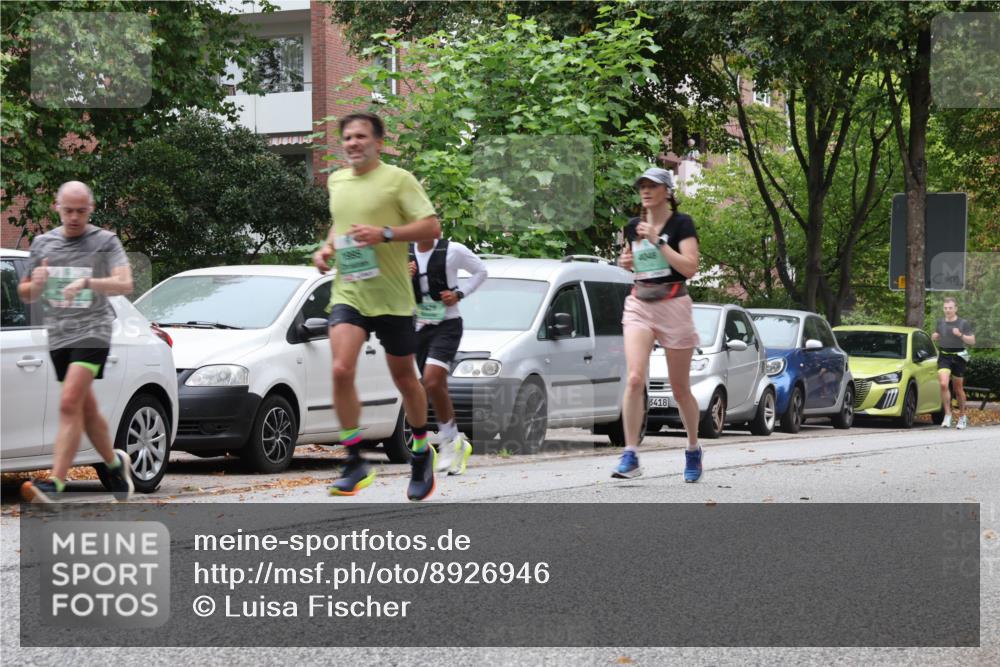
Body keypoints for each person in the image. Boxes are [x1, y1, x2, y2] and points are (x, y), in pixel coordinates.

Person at [313, 112, 441, 501]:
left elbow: (431, 227)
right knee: (339, 368)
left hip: (393, 297)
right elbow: (341, 223)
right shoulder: (336, 180)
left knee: (405, 377)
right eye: (347, 137)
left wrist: (384, 234)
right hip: (350, 292)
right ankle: (354, 460)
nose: (353, 143)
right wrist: (328, 247)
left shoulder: (398, 180)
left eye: (361, 137)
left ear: (378, 142)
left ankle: (421, 451)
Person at [19, 181, 135, 504]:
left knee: (69, 401)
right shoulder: (43, 244)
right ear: (57, 207)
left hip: (94, 332)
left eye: (81, 211)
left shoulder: (104, 241)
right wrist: (36, 285)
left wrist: (87, 281)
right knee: (85, 407)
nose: (73, 218)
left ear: (91, 209)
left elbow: (125, 282)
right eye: (68, 210)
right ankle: (114, 463)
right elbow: (25, 292)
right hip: (58, 335)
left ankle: (55, 483)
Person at [613, 167, 702, 482]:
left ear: (667, 191)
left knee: (680, 389)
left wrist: (659, 240)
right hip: (640, 303)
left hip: (674, 304)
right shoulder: (632, 226)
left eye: (652, 186)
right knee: (635, 379)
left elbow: (689, 267)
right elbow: (634, 261)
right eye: (642, 186)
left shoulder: (682, 224)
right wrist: (626, 263)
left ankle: (692, 448)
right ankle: (631, 454)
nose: (646, 191)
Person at [408, 236, 488, 475]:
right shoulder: (404, 252)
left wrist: (460, 293)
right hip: (419, 326)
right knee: (435, 386)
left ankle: (447, 442)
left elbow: (481, 271)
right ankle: (455, 442)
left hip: (448, 325)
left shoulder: (453, 250)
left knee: (431, 381)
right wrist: (402, 276)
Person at [932, 297, 975, 430]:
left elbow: (972, 341)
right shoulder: (940, 322)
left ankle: (962, 416)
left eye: (950, 308)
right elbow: (936, 334)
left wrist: (960, 335)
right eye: (945, 308)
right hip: (944, 356)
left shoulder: (963, 323)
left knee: (958, 389)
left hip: (959, 357)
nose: (948, 310)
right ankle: (948, 415)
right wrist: (935, 336)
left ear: (955, 309)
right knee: (944, 384)